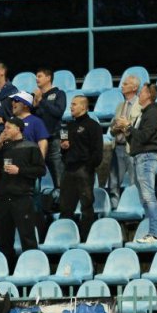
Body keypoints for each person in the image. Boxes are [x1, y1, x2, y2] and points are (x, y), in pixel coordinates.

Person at [0, 118, 45, 269]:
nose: (5, 130)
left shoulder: (31, 147)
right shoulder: (4, 148)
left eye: (8, 127)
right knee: (3, 239)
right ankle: (8, 270)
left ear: (18, 129)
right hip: (3, 199)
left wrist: (19, 170)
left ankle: (33, 269)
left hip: (22, 197)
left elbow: (41, 170)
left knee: (27, 237)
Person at [117, 83, 157, 243]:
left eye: (142, 92)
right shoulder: (144, 113)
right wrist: (126, 129)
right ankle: (152, 232)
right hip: (139, 156)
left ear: (149, 95)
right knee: (144, 197)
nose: (139, 95)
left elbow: (145, 137)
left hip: (147, 157)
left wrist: (129, 126)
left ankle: (154, 234)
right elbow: (135, 139)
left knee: (148, 195)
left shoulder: (153, 112)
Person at [59, 96, 103, 241]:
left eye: (74, 104)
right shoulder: (67, 126)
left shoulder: (93, 126)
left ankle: (86, 238)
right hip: (68, 170)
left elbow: (98, 152)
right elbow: (62, 148)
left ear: (83, 107)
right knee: (65, 207)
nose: (71, 107)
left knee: (86, 206)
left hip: (84, 170)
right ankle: (65, 238)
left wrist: (88, 167)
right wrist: (63, 148)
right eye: (71, 104)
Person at [107, 75, 142, 208]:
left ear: (134, 87)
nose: (122, 86)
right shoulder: (120, 106)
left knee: (135, 181)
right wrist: (115, 128)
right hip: (118, 147)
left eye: (126, 84)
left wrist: (126, 126)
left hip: (132, 148)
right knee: (114, 181)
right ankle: (114, 207)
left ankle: (134, 207)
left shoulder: (140, 105)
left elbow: (140, 128)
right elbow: (111, 129)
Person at [33, 68, 66, 187]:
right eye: (36, 76)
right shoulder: (35, 97)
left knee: (58, 175)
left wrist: (42, 100)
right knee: (35, 173)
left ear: (48, 78)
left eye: (39, 76)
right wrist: (34, 105)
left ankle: (60, 195)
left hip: (53, 139)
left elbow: (58, 112)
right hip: (37, 140)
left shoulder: (59, 94)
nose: (37, 79)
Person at [0, 91, 49, 157]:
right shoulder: (10, 121)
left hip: (28, 160)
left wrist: (40, 160)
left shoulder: (36, 121)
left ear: (26, 105)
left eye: (16, 100)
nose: (13, 103)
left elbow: (42, 143)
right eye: (12, 100)